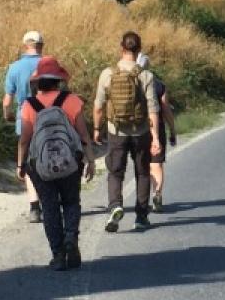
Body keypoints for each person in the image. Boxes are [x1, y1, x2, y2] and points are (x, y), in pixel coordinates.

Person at [16, 57, 93, 270]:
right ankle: (71, 238)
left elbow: (24, 139)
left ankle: (58, 255)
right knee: (70, 201)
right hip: (70, 162)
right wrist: (90, 159)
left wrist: (21, 165)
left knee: (49, 207)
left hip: (40, 166)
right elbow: (83, 134)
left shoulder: (29, 106)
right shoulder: (72, 100)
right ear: (58, 80)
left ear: (38, 82)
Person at [93, 30, 161, 233]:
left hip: (117, 131)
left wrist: (97, 129)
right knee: (142, 172)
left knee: (115, 172)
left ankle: (115, 206)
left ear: (121, 48)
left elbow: (98, 106)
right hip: (140, 132)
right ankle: (141, 216)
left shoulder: (108, 74)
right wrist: (155, 137)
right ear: (139, 49)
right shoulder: (146, 75)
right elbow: (153, 109)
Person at [3, 29, 44, 221]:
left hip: (24, 117)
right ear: (40, 46)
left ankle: (34, 206)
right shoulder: (47, 64)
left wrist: (8, 115)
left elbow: (6, 101)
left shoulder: (14, 67)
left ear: (25, 45)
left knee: (27, 161)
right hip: (47, 116)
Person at [136, 51, 179, 211]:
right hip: (157, 126)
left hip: (136, 129)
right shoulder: (159, 84)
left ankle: (142, 201)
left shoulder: (128, 82)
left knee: (141, 166)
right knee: (156, 164)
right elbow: (166, 109)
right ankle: (157, 194)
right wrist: (172, 130)